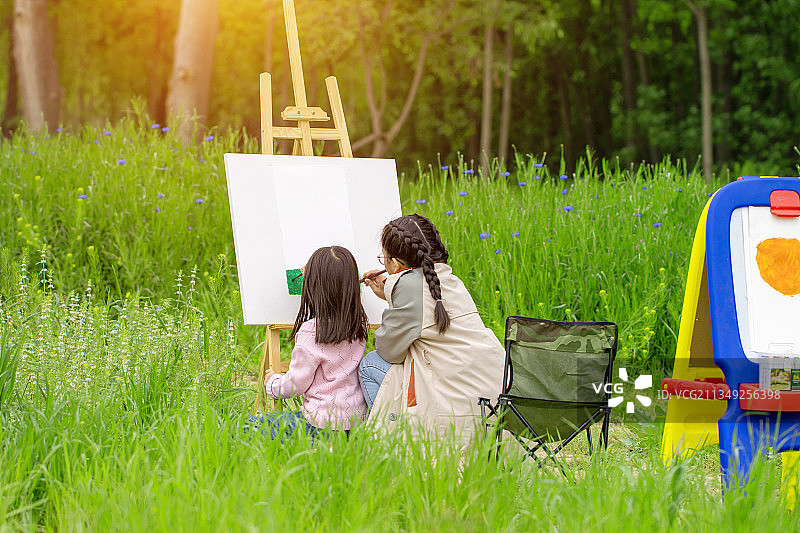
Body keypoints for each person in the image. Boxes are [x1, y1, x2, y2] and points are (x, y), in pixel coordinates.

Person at [359, 214, 504, 444]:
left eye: (384, 259)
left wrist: (392, 297)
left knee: (370, 364)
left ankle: (389, 443)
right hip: (496, 402)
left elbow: (389, 351)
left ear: (395, 264)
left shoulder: (407, 285)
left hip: (455, 409)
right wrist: (391, 295)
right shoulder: (449, 278)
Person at [247, 245, 369, 440]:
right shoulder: (359, 324)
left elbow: (296, 384)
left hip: (318, 424)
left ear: (313, 286)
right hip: (355, 424)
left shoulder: (311, 331)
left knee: (250, 426)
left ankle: (317, 446)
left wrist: (272, 382)